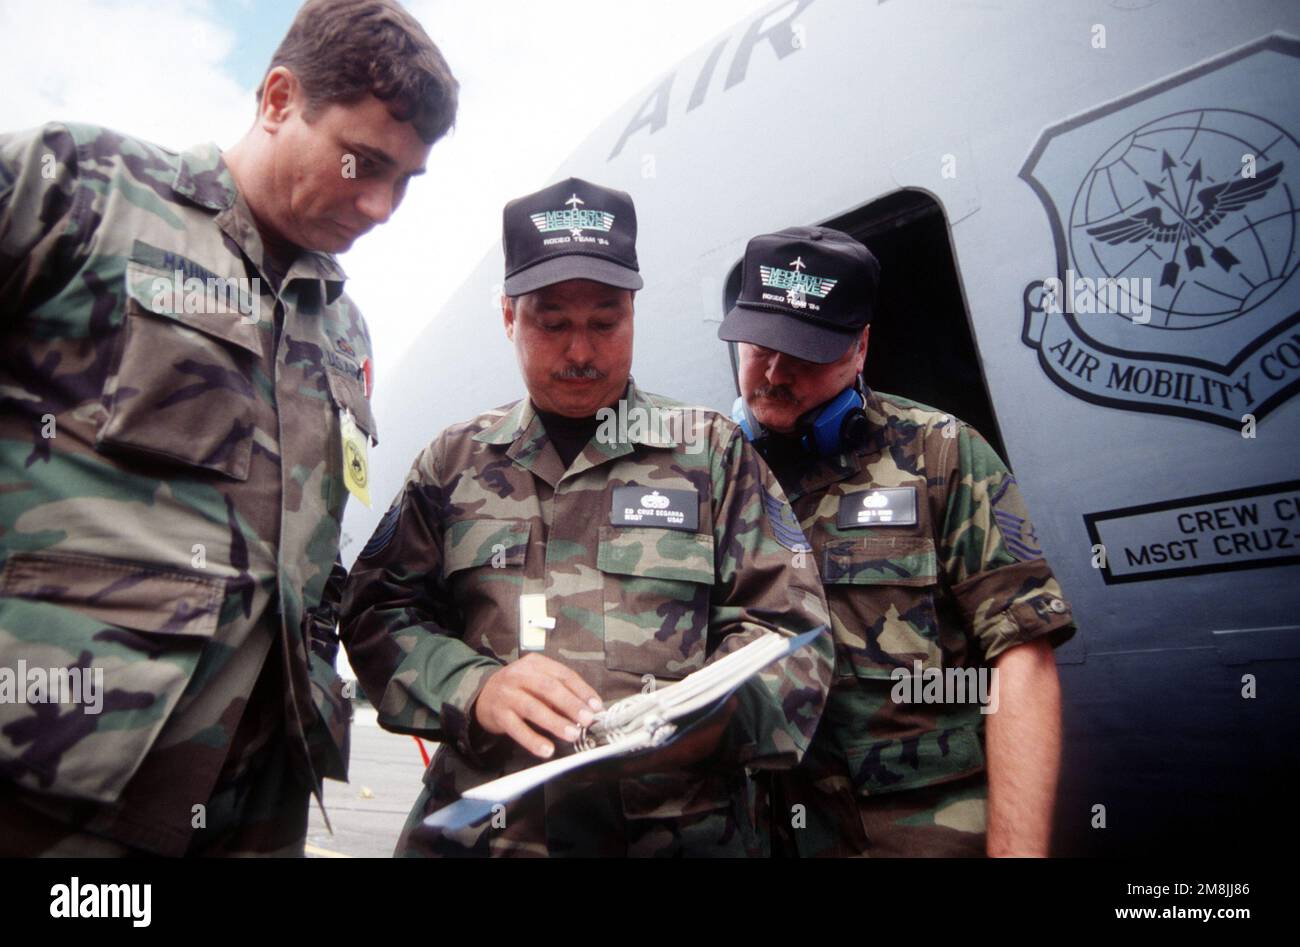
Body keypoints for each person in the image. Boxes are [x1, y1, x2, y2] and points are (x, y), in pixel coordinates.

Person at [0, 0, 457, 856]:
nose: (383, 205)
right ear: (279, 98)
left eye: (406, 180)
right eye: (363, 162)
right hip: (55, 781)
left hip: (258, 795)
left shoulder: (344, 325)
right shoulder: (78, 190)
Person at [340, 177, 833, 857]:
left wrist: (703, 724)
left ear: (634, 310)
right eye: (553, 322)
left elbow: (793, 632)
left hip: (678, 835)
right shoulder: (452, 463)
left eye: (605, 322)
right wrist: (474, 688)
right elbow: (374, 614)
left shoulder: (712, 455)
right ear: (509, 316)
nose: (581, 352)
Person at [718, 226, 1076, 857]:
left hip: (923, 835)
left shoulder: (942, 454)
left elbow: (1021, 655)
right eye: (761, 346)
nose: (774, 373)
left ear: (860, 349)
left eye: (804, 353)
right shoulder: (707, 471)